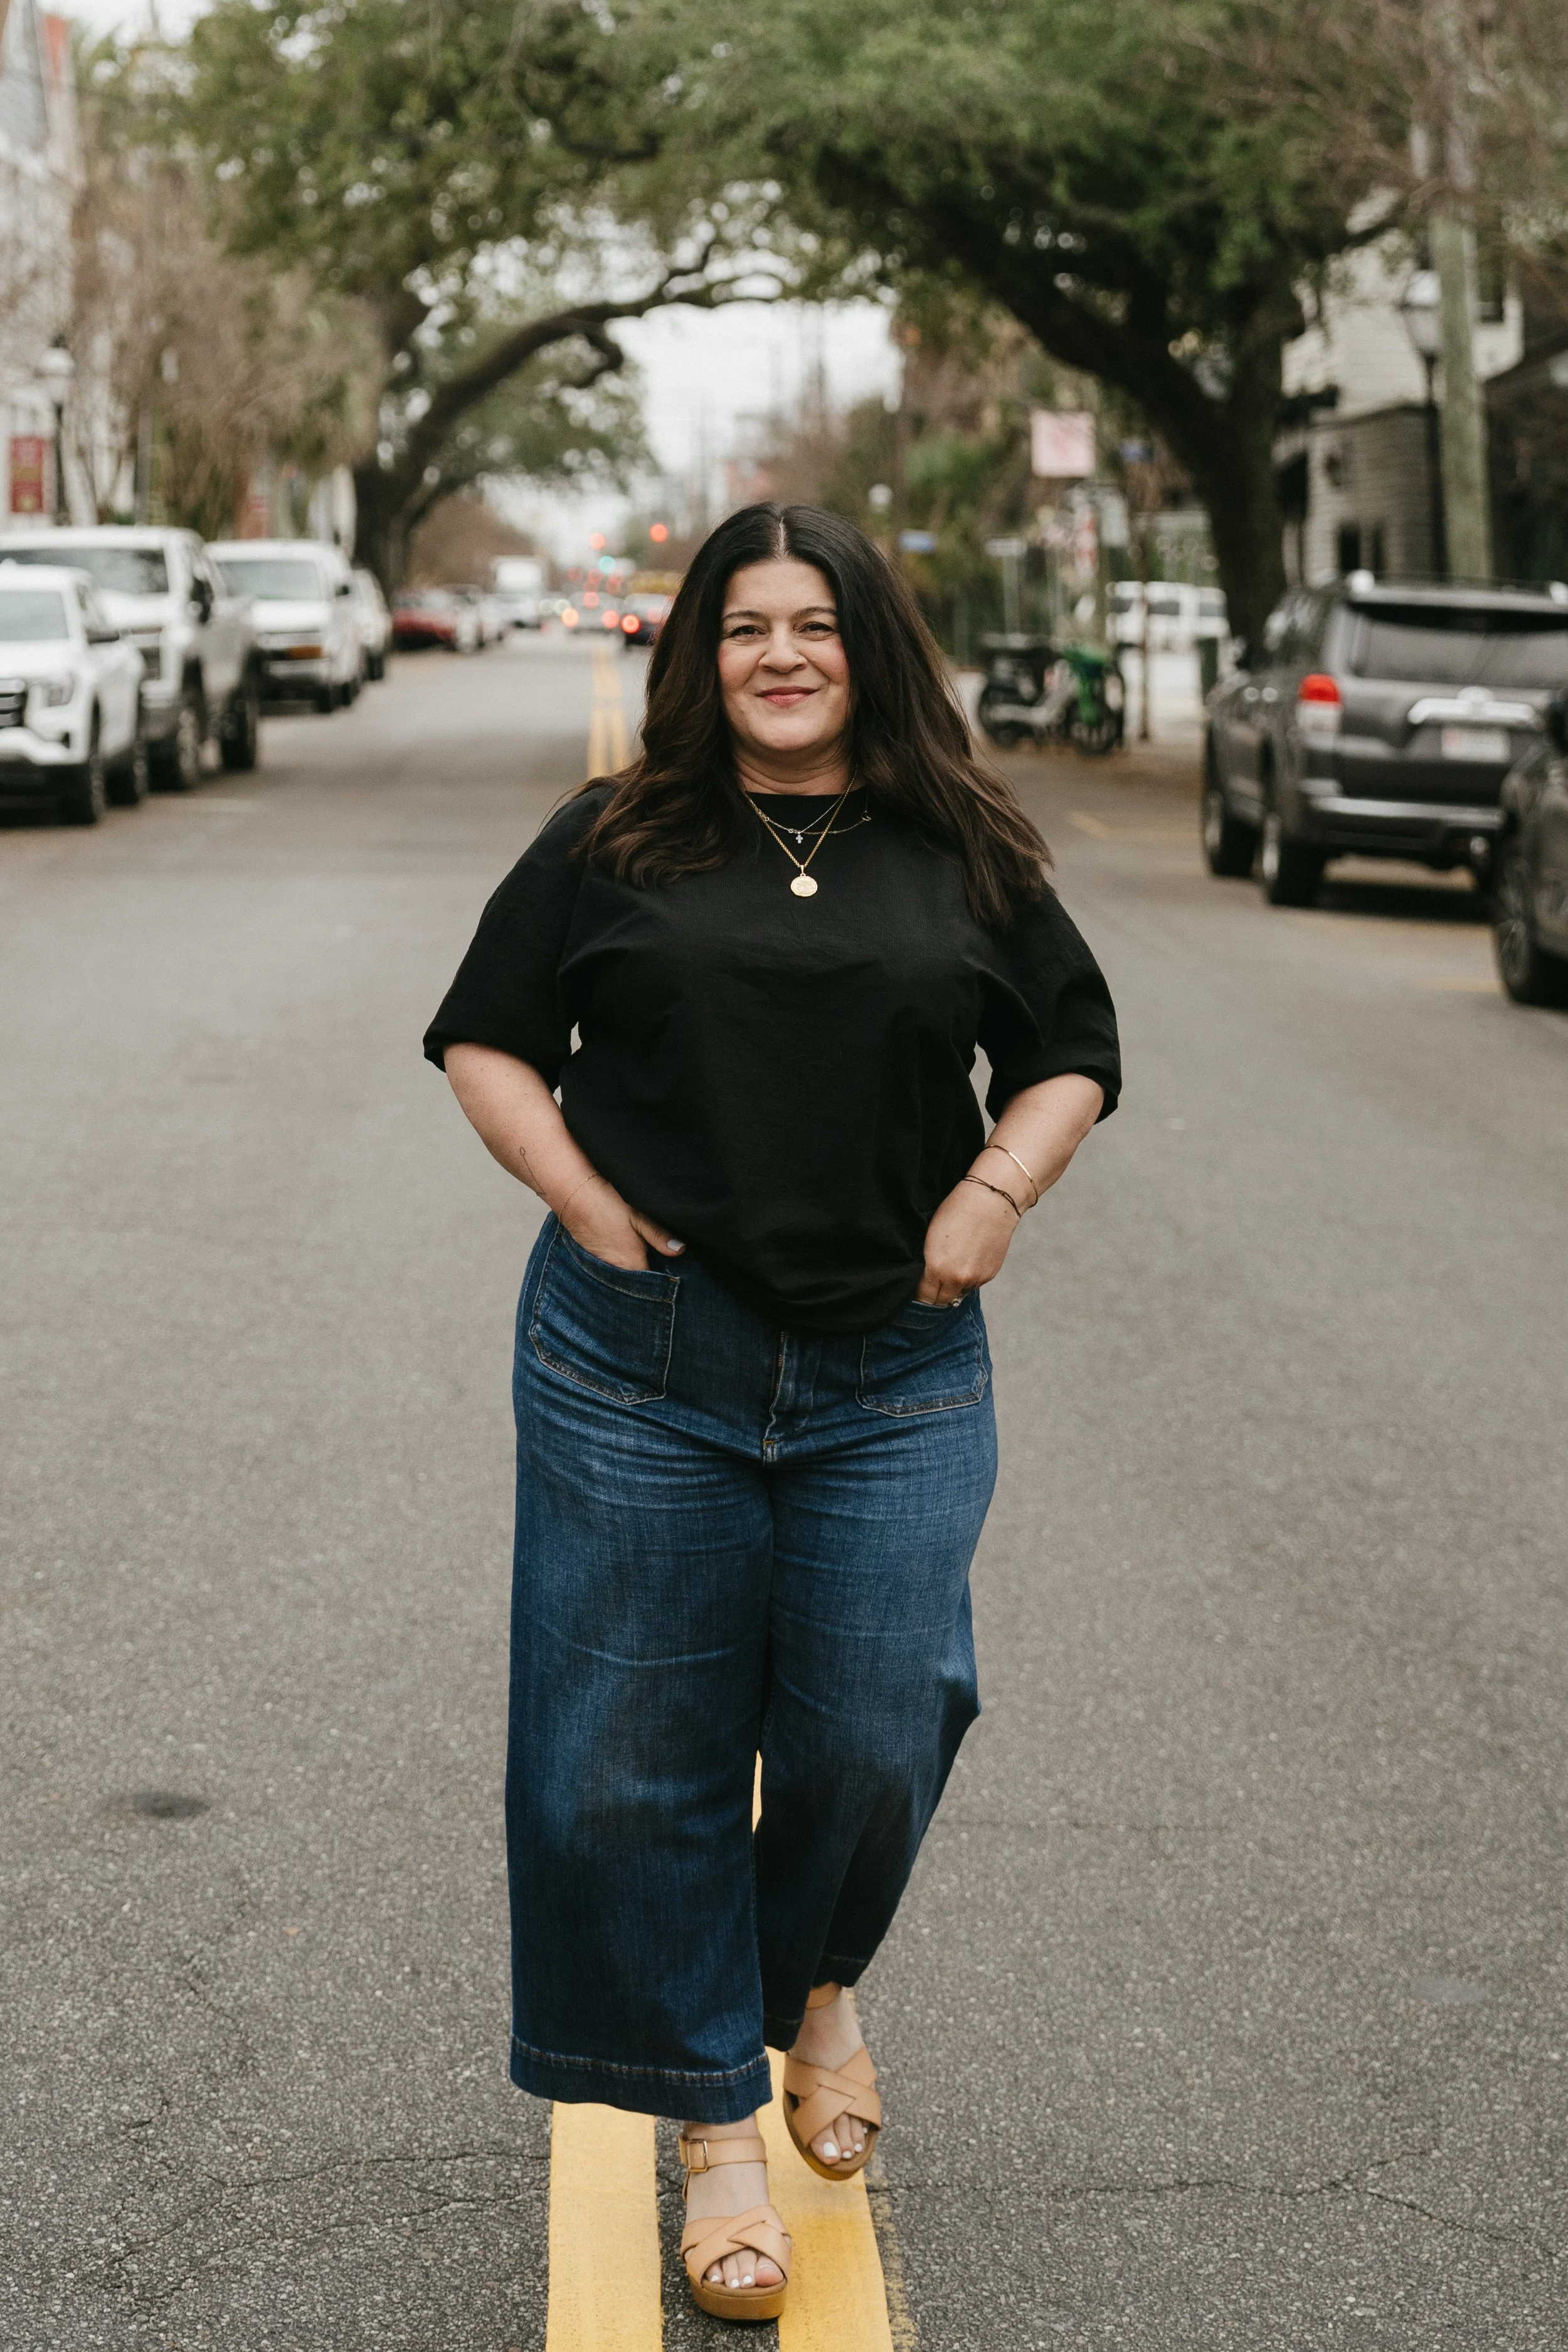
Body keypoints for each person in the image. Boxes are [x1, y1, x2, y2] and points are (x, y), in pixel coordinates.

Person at [423, 502, 1120, 2324]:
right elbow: (484, 1035)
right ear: (699, 655)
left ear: (867, 644)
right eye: (745, 627)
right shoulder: (615, 835)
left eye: (815, 623)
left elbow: (1068, 1046)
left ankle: (816, 1982)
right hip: (637, 1365)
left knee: (883, 1720)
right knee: (622, 1758)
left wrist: (990, 1197)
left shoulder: (957, 841)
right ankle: (716, 2123)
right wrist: (582, 1199)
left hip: (891, 1367)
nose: (783, 654)